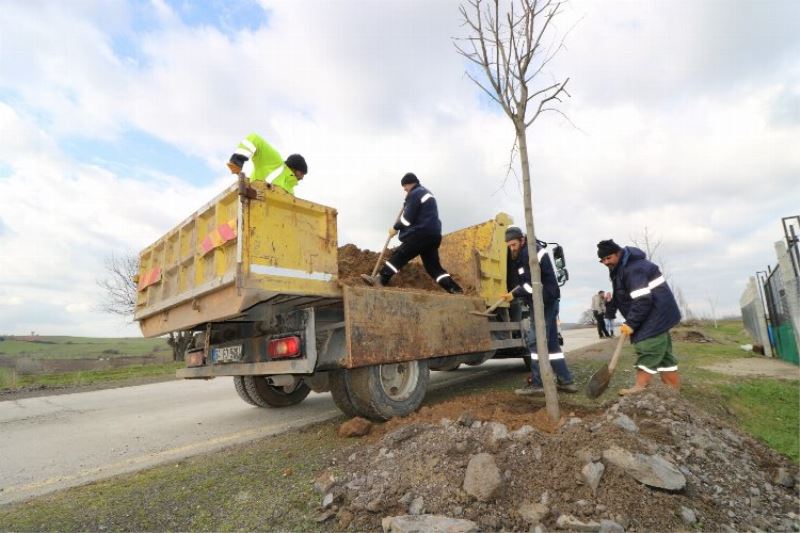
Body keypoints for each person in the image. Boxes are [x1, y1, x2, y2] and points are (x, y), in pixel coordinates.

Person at [597, 239, 682, 395]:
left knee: (648, 347)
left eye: (608, 258)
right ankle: (673, 390)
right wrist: (610, 312)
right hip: (654, 313)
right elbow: (619, 294)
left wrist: (631, 323)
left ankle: (639, 387)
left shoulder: (634, 269)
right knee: (664, 356)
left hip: (656, 314)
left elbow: (643, 300)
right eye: (602, 260)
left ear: (618, 253)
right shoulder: (619, 268)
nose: (605, 262)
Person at [503, 226, 577, 395]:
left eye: (513, 244)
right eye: (509, 246)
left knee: (535, 341)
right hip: (544, 300)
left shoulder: (530, 253)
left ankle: (538, 384)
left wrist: (514, 294)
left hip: (544, 302)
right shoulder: (524, 253)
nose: (511, 248)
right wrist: (513, 293)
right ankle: (566, 381)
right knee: (550, 343)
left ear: (521, 240)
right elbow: (526, 282)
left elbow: (532, 285)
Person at [361, 173, 463, 294]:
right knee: (433, 268)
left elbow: (406, 219)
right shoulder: (426, 193)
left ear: (409, 183)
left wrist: (395, 228)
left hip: (421, 233)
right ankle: (454, 289)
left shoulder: (415, 194)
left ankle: (380, 279)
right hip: (433, 236)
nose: (404, 189)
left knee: (400, 255)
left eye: (404, 186)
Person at [226, 133, 307, 195]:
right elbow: (254, 139)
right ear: (294, 167)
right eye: (302, 173)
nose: (302, 177)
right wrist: (238, 160)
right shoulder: (275, 161)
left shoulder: (291, 191)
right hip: (250, 205)